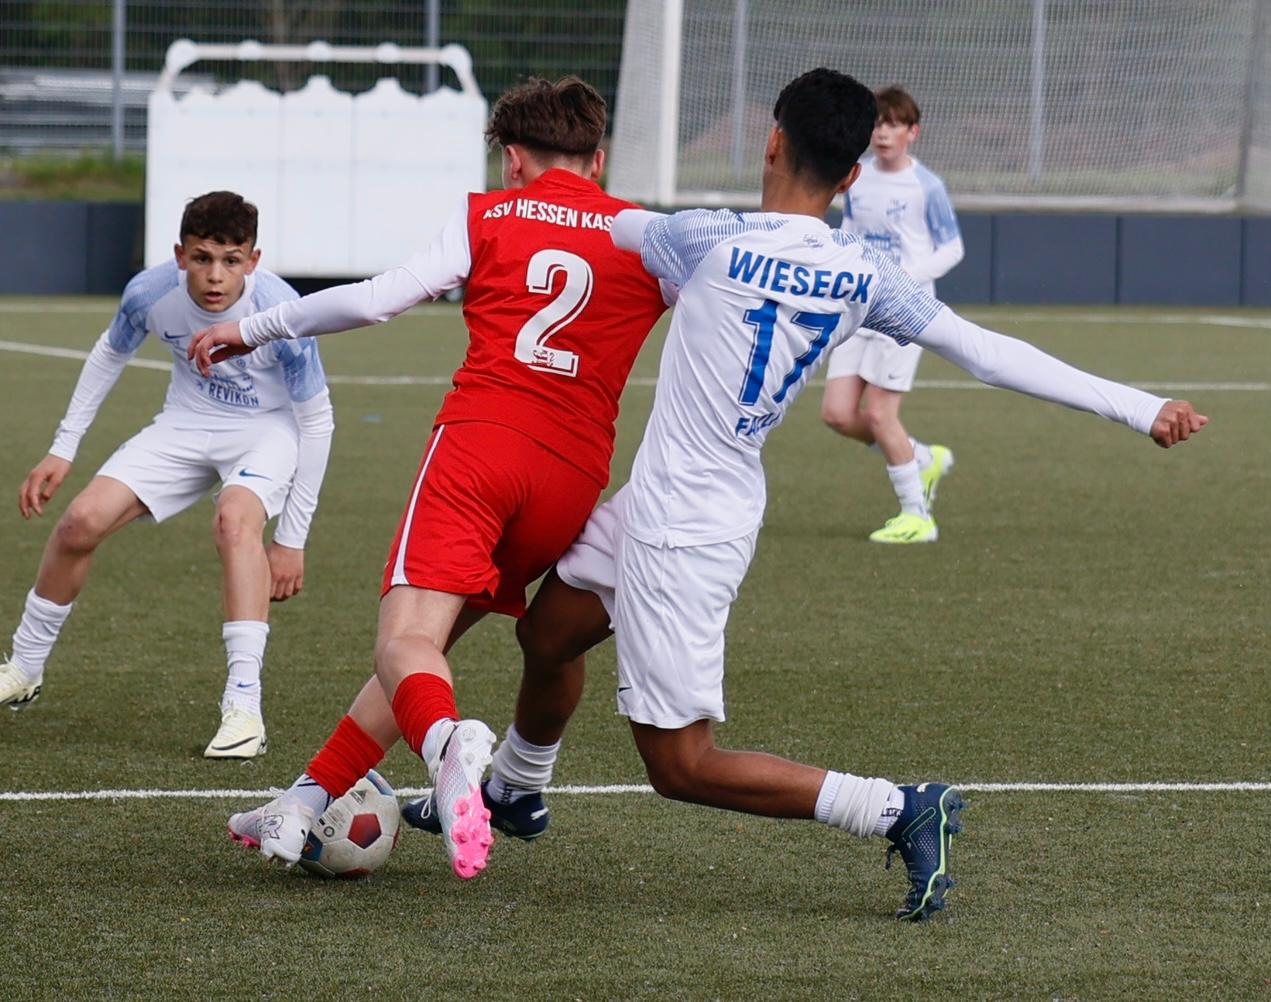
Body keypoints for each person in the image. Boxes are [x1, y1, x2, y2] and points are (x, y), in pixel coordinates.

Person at [403, 68, 1207, 920]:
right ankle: (515, 789)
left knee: (681, 765)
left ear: (772, 141)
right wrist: (1139, 406)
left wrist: (528, 188)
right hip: (676, 501)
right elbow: (985, 352)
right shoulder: (862, 272)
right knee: (548, 634)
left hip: (686, 531)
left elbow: (593, 218)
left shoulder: (705, 236)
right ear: (852, 174)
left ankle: (896, 807)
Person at [187, 77, 670, 880]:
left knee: (405, 641)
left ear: (511, 158)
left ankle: (449, 748)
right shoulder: (647, 234)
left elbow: (379, 300)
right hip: (571, 479)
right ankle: (304, 801)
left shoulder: (488, 213)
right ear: (599, 157)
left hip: (480, 449)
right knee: (420, 652)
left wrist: (256, 326)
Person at [1, 190, 334, 759]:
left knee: (234, 523)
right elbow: (108, 355)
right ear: (180, 255)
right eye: (202, 258)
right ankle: (25, 668)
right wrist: (63, 448)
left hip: (266, 431)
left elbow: (317, 421)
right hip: (185, 423)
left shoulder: (281, 312)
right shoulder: (149, 293)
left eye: (231, 260)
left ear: (253, 261)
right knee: (80, 522)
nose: (215, 275)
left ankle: (244, 707)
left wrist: (292, 539)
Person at [820, 86, 964, 543]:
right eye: (877, 124)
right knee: (837, 414)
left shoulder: (927, 186)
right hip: (858, 306)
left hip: (904, 311)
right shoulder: (856, 175)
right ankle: (921, 458)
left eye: (893, 125)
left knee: (882, 415)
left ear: (912, 132)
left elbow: (952, 248)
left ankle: (917, 516)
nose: (882, 133)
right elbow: (850, 229)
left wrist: (904, 278)